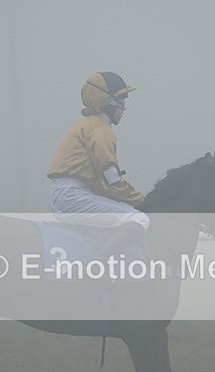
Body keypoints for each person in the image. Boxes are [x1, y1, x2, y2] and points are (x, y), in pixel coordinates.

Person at [47, 71, 149, 262]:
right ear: (108, 102)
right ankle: (98, 264)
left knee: (122, 211)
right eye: (121, 100)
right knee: (138, 218)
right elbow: (111, 179)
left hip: (70, 193)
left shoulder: (88, 124)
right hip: (73, 196)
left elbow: (101, 182)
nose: (124, 107)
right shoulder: (101, 128)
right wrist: (140, 201)